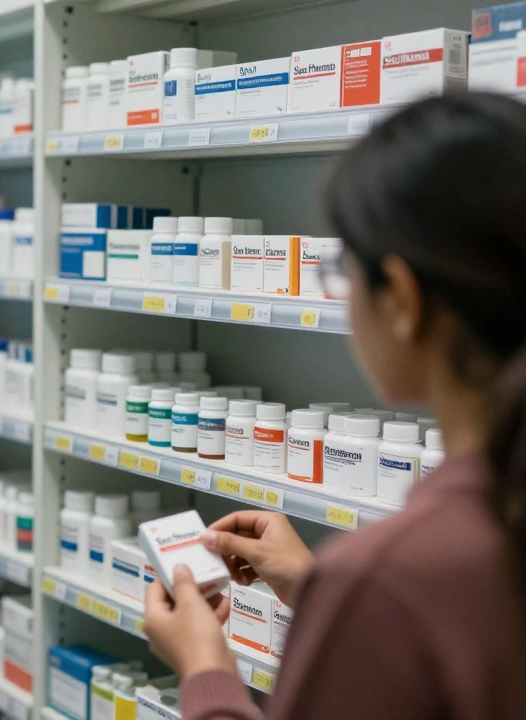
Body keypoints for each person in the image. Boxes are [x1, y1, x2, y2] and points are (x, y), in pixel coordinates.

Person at [142, 94, 526, 719]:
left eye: (343, 269)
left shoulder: (390, 577)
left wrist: (206, 669)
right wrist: (317, 590)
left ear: (401, 299)